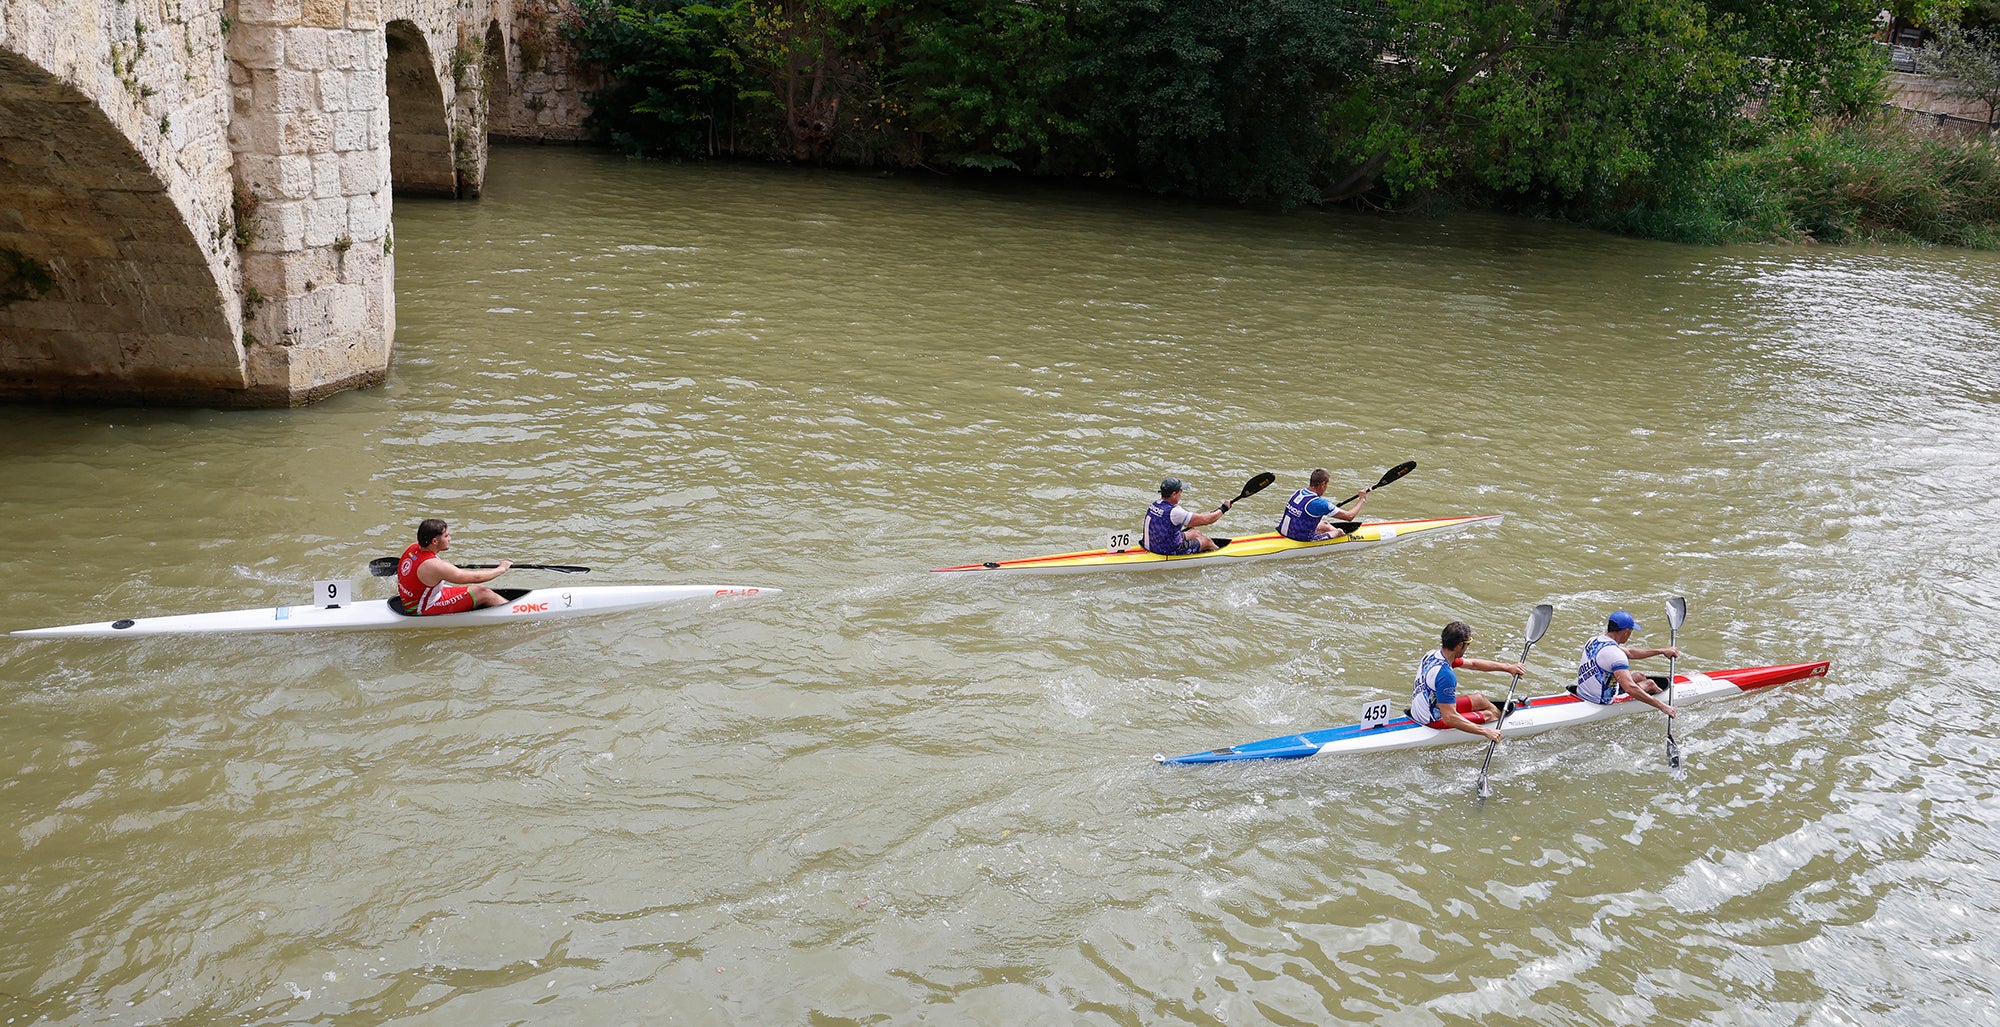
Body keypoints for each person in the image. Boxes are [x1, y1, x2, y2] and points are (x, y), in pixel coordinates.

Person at [1410, 620, 1530, 741]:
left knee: (1480, 699)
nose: (1468, 646)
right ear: (1459, 645)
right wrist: (1485, 731)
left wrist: (1508, 668)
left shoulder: (1433, 655)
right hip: (1432, 720)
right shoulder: (1445, 675)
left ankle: (1502, 719)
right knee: (1489, 715)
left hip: (1423, 709)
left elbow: (1473, 664)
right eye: (1469, 643)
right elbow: (1449, 718)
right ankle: (1501, 727)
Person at [395, 518, 513, 615]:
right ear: (435, 541)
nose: (450, 538)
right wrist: (500, 569)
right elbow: (475, 578)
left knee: (475, 589)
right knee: (482, 591)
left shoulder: (412, 548)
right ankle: (515, 613)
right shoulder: (435, 566)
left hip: (411, 599)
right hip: (422, 609)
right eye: (446, 536)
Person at [1574, 610, 1682, 716]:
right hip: (1602, 701)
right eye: (1630, 632)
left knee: (1639, 676)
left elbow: (1630, 652)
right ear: (1626, 632)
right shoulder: (1616, 655)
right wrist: (1663, 707)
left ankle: (1654, 697)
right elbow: (1630, 688)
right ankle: (1666, 700)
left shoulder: (1594, 640)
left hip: (1584, 692)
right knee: (1650, 684)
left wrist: (1662, 651)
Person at [1275, 468, 1371, 541]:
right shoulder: (1319, 504)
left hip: (1284, 532)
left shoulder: (1298, 492)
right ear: (1323, 484)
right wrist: (1361, 499)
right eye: (1327, 485)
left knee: (1325, 524)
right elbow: (1349, 516)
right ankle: (1346, 541)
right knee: (1339, 531)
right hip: (1301, 540)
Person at [1144, 477, 1232, 555]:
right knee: (1207, 541)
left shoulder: (1155, 504)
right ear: (1174, 494)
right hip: (1165, 550)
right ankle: (1222, 556)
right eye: (1180, 491)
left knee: (1195, 533)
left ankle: (1198, 550)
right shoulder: (1175, 512)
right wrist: (1224, 508)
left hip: (1152, 544)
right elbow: (1206, 520)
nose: (1181, 493)